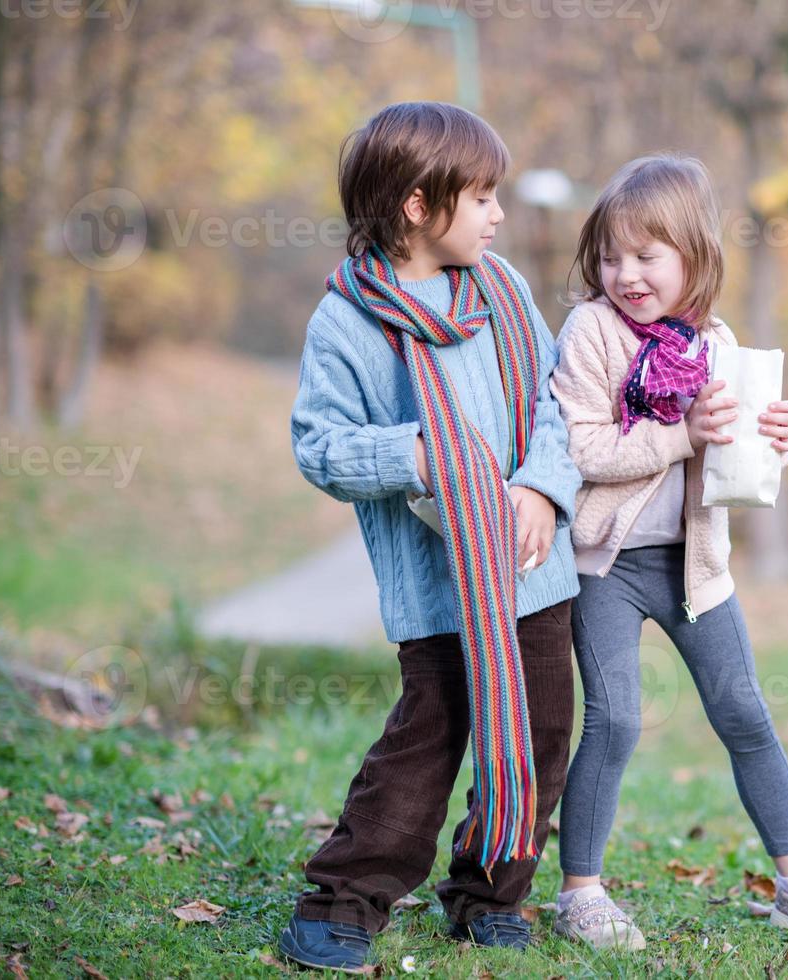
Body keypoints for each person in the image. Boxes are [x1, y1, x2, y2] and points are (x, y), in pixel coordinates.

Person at [547, 153, 788, 952]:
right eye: (611, 255)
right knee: (617, 719)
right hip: (608, 565)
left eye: (647, 255)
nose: (625, 273)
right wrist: (680, 433)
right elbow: (583, 447)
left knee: (744, 712)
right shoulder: (591, 330)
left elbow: (734, 460)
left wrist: (776, 439)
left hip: (694, 565)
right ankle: (581, 893)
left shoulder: (717, 343)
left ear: (694, 256)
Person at [278, 101, 582, 971]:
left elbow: (556, 406)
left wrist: (541, 488)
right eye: (481, 197)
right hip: (437, 584)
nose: (496, 215)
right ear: (418, 205)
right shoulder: (349, 320)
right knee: (429, 737)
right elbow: (319, 446)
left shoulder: (504, 292)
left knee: (540, 734)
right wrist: (412, 451)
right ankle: (345, 896)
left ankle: (489, 892)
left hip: (534, 571)